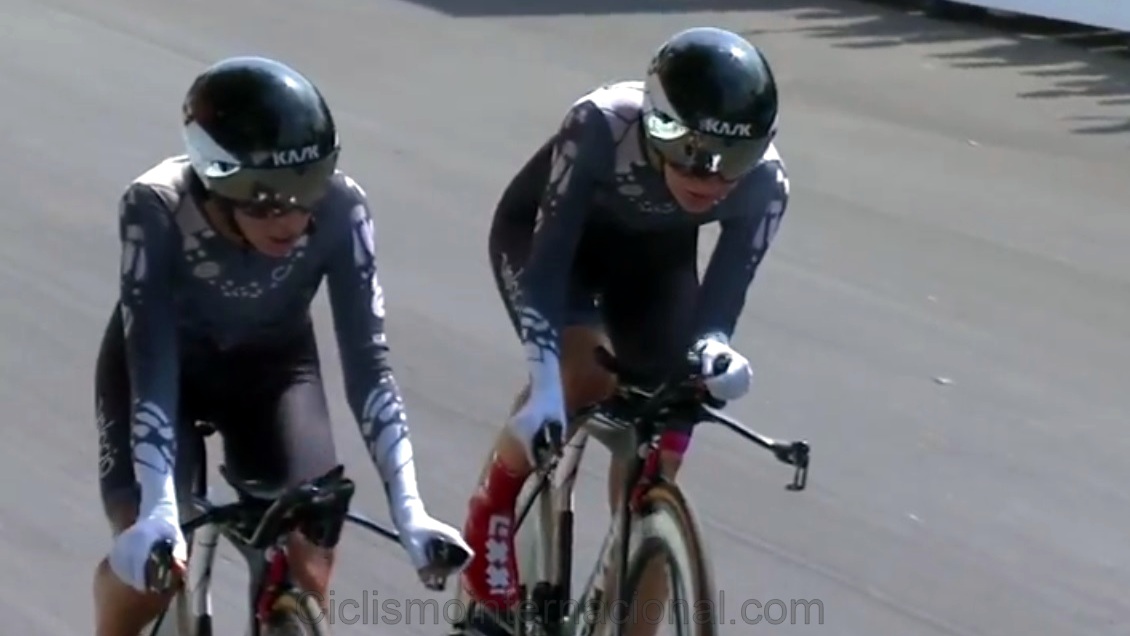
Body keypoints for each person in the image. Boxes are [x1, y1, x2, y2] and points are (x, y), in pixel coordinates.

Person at [93, 55, 471, 636]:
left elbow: (370, 366)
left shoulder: (343, 207)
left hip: (272, 374)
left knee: (308, 564)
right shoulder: (155, 205)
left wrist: (411, 510)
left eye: (306, 192)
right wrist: (158, 510)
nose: (290, 221)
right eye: (265, 202)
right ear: (215, 182)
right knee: (151, 571)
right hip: (163, 374)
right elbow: (151, 363)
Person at [458, 26, 789, 632]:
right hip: (551, 246)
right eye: (688, 149)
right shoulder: (600, 124)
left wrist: (714, 353)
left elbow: (717, 313)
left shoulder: (766, 184)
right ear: (653, 122)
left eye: (733, 160)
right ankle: (492, 508)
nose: (710, 178)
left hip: (651, 264)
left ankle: (640, 560)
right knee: (581, 372)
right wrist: (547, 383)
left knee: (667, 428)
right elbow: (547, 269)